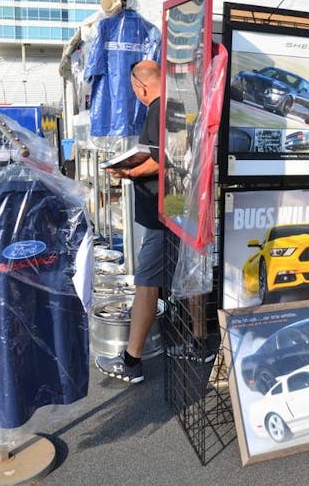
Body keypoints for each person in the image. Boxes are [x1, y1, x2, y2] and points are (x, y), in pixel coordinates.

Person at [95, 60, 174, 384]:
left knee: (146, 284)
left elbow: (160, 159)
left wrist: (126, 171)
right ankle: (196, 343)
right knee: (183, 278)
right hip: (180, 206)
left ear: (140, 87)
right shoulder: (177, 106)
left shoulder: (157, 108)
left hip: (161, 214)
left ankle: (131, 362)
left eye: (133, 89)